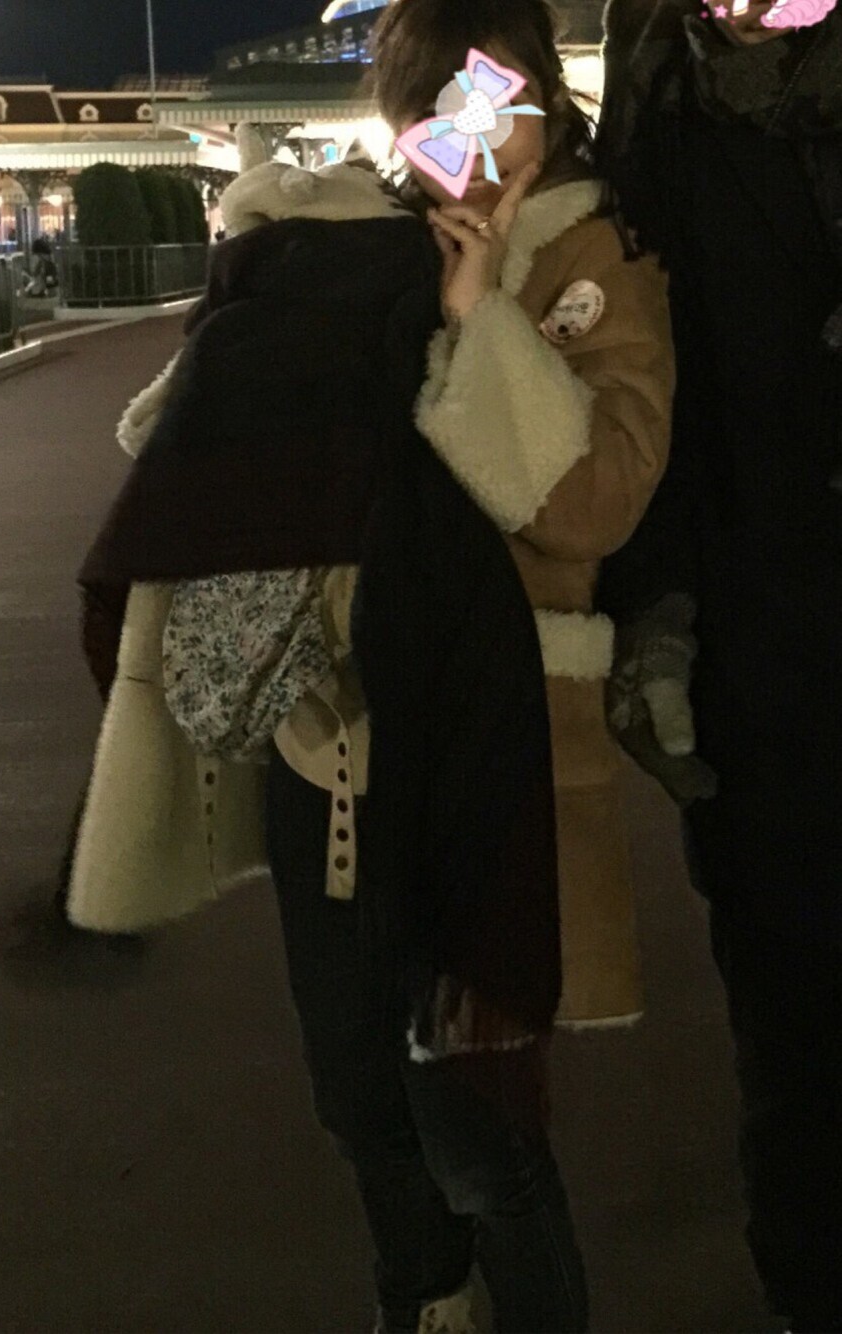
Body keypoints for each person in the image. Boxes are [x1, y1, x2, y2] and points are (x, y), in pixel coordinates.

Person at [66, 0, 675, 1329]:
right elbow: (178, 433)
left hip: (491, 747)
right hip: (333, 731)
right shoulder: (359, 238)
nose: (471, 150)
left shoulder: (596, 253)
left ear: (543, 96)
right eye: (436, 123)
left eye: (496, 109)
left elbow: (599, 500)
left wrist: (479, 321)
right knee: (357, 1095)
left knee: (478, 1123)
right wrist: (267, 272)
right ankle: (426, 1302)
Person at [593, 2, 842, 1329]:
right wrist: (655, 612)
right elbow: (641, 372)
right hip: (760, 629)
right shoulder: (660, 85)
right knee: (790, 1003)